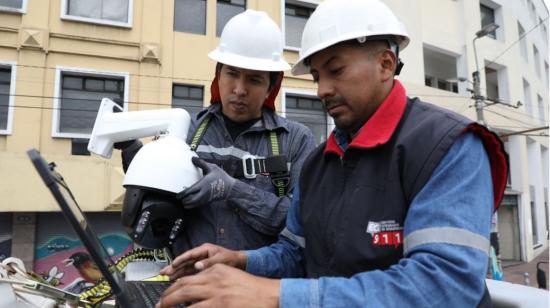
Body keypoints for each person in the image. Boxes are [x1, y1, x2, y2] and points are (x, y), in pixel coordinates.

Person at [156, 0, 510, 307]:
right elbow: (294, 253)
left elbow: (445, 286)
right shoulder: (318, 164)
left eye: (336, 71)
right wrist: (241, 261)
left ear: (387, 64)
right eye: (316, 76)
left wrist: (275, 296)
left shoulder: (448, 147)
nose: (323, 90)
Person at [118, 10, 315, 254]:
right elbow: (155, 199)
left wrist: (232, 190)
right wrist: (134, 155)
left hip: (259, 286)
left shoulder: (295, 141)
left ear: (270, 87)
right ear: (218, 75)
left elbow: (301, 223)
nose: (239, 89)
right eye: (232, 74)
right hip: (192, 283)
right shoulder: (184, 132)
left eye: (254, 80)